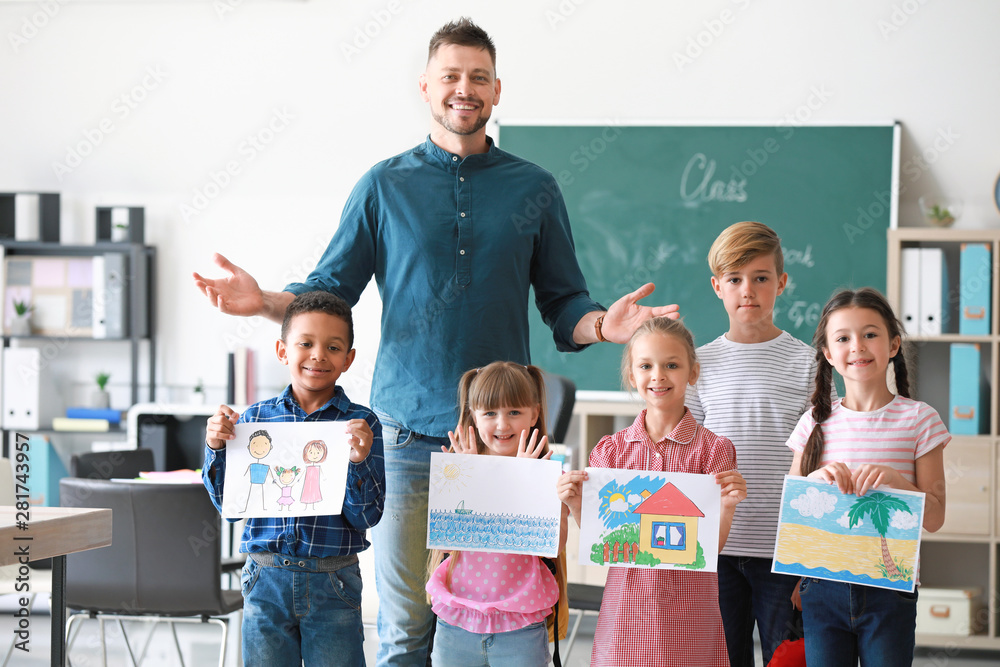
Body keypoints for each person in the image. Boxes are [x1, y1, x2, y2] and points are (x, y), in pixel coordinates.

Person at [192, 17, 677, 666]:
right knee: (405, 633)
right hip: (406, 439)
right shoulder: (383, 186)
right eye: (450, 75)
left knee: (501, 621)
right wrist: (266, 304)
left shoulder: (534, 188)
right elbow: (329, 292)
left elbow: (566, 306)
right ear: (426, 86)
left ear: (497, 90)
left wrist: (602, 326)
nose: (464, 88)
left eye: (478, 77)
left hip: (501, 449)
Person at [202, 291, 385, 665]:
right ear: (283, 350)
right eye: (306, 343)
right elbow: (230, 508)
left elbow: (366, 517)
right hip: (265, 577)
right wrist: (216, 448)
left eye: (333, 347)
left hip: (333, 582)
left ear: (349, 359)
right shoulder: (253, 420)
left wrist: (359, 460)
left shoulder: (362, 426)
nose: (319, 354)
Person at [557, 317, 746, 667]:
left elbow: (710, 546)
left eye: (671, 365)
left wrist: (728, 507)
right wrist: (576, 502)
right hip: (627, 606)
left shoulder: (714, 450)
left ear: (692, 372)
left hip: (689, 607)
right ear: (632, 375)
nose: (658, 375)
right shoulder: (610, 451)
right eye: (646, 366)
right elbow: (604, 539)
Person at [787, 287, 948, 666]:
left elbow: (936, 517)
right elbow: (792, 506)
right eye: (843, 338)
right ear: (828, 353)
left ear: (893, 344)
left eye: (870, 334)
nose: (857, 346)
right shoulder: (814, 421)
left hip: (889, 589)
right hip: (821, 585)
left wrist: (896, 480)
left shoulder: (920, 419)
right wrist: (820, 477)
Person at [684, 221, 816, 666]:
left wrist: (809, 553)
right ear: (717, 286)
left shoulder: (809, 363)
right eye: (735, 280)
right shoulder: (697, 363)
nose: (748, 290)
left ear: (781, 282)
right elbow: (685, 451)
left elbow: (821, 459)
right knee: (723, 657)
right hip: (716, 547)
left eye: (760, 278)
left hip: (783, 551)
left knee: (786, 656)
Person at [426, 361, 567, 667]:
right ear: (473, 416)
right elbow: (446, 544)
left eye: (514, 412)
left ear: (534, 413)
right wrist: (464, 479)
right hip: (458, 619)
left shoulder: (546, 474)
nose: (502, 425)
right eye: (490, 413)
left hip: (520, 623)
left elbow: (554, 547)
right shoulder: (457, 469)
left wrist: (531, 482)